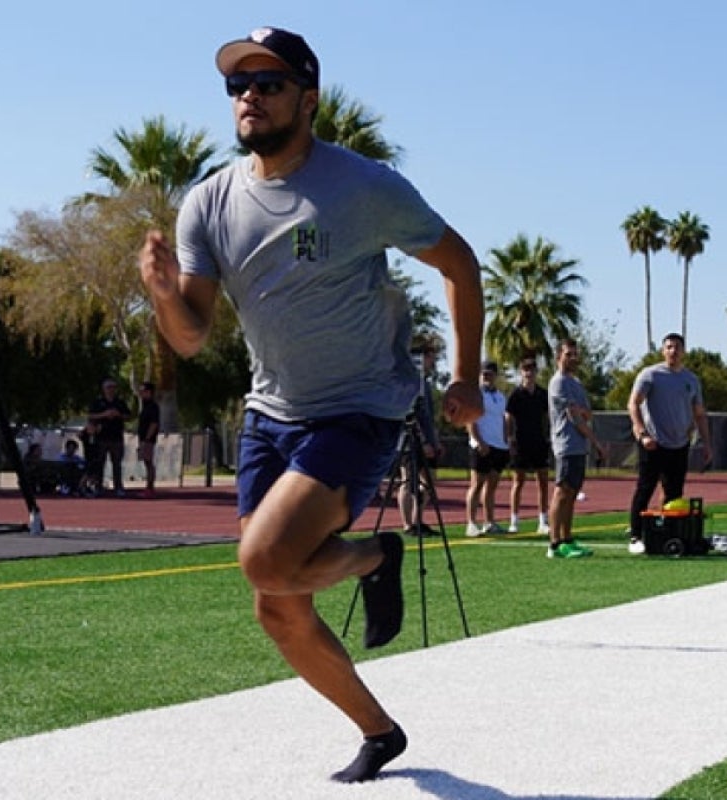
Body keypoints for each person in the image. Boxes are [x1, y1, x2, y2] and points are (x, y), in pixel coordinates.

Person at [137, 26, 484, 783]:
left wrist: (467, 377)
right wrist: (165, 297)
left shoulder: (363, 187)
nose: (250, 98)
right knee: (276, 603)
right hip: (271, 414)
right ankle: (380, 729)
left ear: (308, 97)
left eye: (268, 83)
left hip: (360, 408)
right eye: (238, 86)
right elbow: (192, 337)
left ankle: (373, 558)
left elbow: (458, 262)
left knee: (265, 559)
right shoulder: (209, 202)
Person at [625, 333, 712, 554]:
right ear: (663, 351)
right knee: (645, 489)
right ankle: (636, 536)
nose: (673, 351)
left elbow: (699, 414)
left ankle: (666, 534)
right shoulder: (651, 375)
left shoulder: (691, 380)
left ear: (684, 352)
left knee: (674, 493)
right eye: (669, 347)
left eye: (677, 347)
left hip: (679, 445)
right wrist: (642, 433)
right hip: (653, 443)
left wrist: (707, 444)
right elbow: (633, 404)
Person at [547, 339, 606, 558]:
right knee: (562, 492)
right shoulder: (559, 383)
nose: (573, 358)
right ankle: (554, 543)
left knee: (572, 494)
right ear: (558, 357)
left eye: (575, 354)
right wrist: (596, 442)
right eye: (568, 354)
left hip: (578, 446)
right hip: (566, 444)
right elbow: (576, 417)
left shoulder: (576, 384)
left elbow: (587, 413)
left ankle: (567, 538)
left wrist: (582, 414)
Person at [398, 346, 443, 537]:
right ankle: (407, 524)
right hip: (409, 440)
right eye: (430, 358)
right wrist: (423, 440)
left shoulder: (425, 383)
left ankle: (418, 520)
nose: (432, 362)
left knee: (429, 481)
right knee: (408, 481)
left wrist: (435, 440)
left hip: (425, 440)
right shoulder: (409, 381)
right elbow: (411, 414)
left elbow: (428, 416)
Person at [504, 357, 552, 534]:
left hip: (539, 441)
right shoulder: (516, 395)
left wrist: (549, 435)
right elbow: (508, 417)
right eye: (525, 370)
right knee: (518, 481)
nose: (529, 373)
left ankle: (543, 520)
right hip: (520, 442)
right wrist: (510, 438)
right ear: (521, 372)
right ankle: (514, 520)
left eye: (532, 369)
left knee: (543, 481)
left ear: (536, 372)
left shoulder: (542, 394)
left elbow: (548, 416)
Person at [464, 361, 509, 537]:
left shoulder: (500, 396)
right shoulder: (475, 395)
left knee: (491, 486)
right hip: (482, 445)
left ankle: (490, 522)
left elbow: (503, 419)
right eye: (484, 374)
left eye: (490, 374)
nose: (487, 377)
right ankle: (471, 523)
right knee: (476, 485)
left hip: (499, 445)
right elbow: (470, 420)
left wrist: (506, 442)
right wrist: (479, 441)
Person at [87, 377, 132, 497]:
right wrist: (104, 414)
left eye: (113, 387)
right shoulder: (98, 402)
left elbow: (128, 416)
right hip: (101, 437)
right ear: (103, 389)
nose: (111, 390)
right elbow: (91, 415)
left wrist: (119, 414)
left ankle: (118, 487)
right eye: (108, 387)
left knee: (117, 463)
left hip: (116, 437)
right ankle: (98, 487)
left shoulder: (120, 402)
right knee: (99, 463)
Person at [137, 381, 161, 499]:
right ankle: (149, 487)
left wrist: (147, 438)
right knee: (147, 462)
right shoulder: (144, 406)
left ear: (150, 393)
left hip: (148, 439)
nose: (141, 394)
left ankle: (150, 488)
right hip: (143, 438)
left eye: (144, 391)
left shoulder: (153, 406)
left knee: (149, 462)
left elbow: (154, 423)